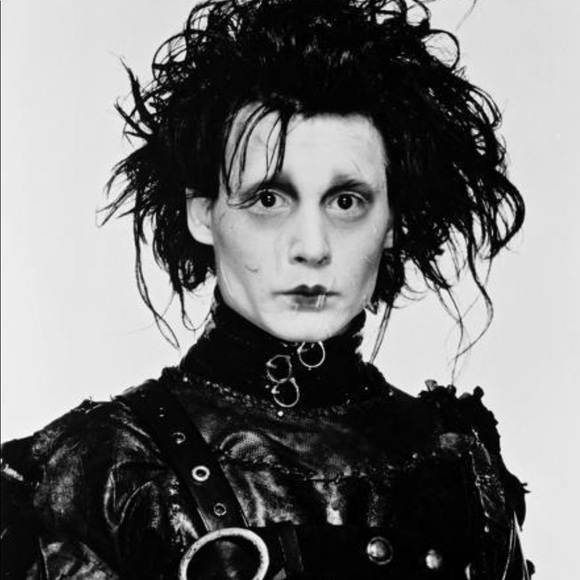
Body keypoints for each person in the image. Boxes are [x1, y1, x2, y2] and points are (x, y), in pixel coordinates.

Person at [1, 0, 532, 578]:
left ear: (392, 223)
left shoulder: (456, 461)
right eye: (269, 199)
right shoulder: (99, 470)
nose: (312, 246)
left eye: (346, 201)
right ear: (202, 213)